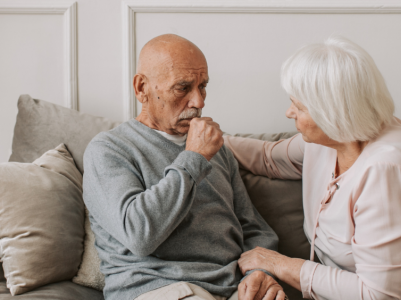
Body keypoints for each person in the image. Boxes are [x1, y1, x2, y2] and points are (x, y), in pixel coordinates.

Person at [224, 37, 401, 300]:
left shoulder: (388, 168)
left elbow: (376, 294)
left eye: (298, 105)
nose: (289, 112)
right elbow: (268, 158)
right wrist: (201, 137)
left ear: (330, 112)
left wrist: (278, 264)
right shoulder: (329, 141)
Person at [83, 34, 285, 300]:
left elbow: (254, 228)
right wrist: (194, 157)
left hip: (233, 289)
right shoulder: (109, 149)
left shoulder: (217, 149)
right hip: (162, 288)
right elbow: (140, 235)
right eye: (183, 88)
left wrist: (259, 273)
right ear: (141, 88)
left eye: (203, 86)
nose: (199, 102)